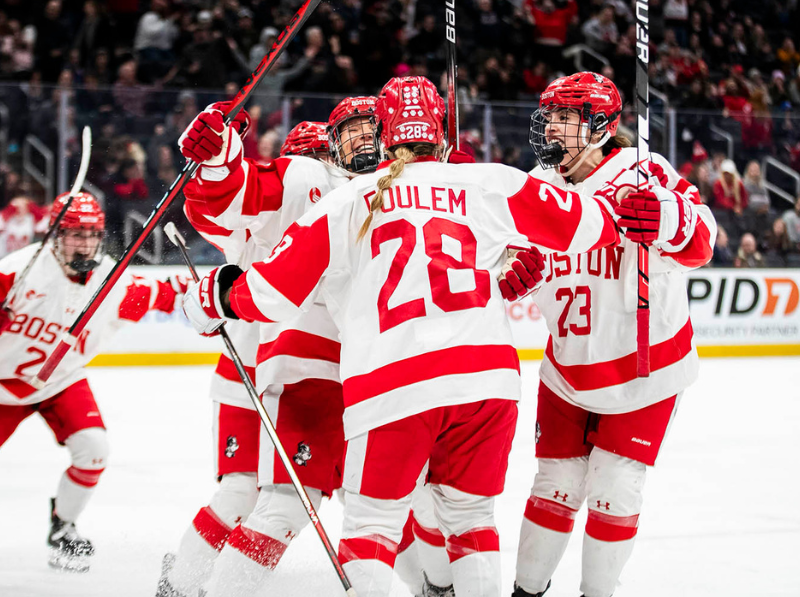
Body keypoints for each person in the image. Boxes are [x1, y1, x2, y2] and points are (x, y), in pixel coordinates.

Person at [181, 75, 621, 597]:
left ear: (387, 132)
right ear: (440, 130)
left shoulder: (351, 199)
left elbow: (268, 294)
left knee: (370, 534)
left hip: (391, 382)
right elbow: (597, 225)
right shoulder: (484, 180)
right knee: (472, 521)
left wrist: (214, 297)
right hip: (487, 382)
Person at [505, 72, 716, 597]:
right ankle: (526, 591)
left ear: (601, 125)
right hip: (566, 369)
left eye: (565, 118)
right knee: (554, 487)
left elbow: (703, 239)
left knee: (614, 489)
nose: (551, 127)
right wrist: (511, 274)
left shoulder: (646, 174)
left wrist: (667, 219)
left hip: (645, 368)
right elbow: (503, 271)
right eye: (549, 116)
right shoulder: (538, 186)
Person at [157, 101, 380, 597]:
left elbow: (218, 206)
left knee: (313, 492)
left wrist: (220, 165)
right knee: (255, 493)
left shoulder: (338, 197)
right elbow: (215, 207)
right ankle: (181, 583)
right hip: (264, 371)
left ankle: (186, 582)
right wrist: (220, 163)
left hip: (290, 365)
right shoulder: (290, 191)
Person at [0, 193, 187, 572]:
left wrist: (214, 293)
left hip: (60, 382)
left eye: (91, 234)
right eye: (74, 234)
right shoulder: (18, 271)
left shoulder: (108, 280)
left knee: (93, 447)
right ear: (55, 234)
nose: (84, 242)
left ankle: (63, 525)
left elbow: (157, 295)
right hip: (2, 387)